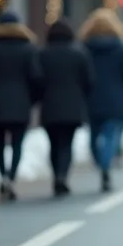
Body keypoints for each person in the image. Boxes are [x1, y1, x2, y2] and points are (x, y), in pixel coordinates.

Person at [0, 11, 42, 201]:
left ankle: (2, 173)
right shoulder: (28, 48)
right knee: (17, 143)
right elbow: (36, 77)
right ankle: (11, 176)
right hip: (20, 103)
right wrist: (31, 98)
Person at [80, 8, 123, 192]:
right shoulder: (120, 48)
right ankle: (106, 166)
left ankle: (99, 160)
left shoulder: (84, 48)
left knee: (94, 135)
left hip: (92, 98)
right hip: (116, 98)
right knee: (111, 134)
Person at [38, 19, 94, 197]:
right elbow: (89, 81)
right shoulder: (79, 54)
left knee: (53, 143)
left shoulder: (43, 54)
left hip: (50, 105)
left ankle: (56, 174)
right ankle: (63, 175)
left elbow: (36, 79)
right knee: (67, 144)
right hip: (72, 106)